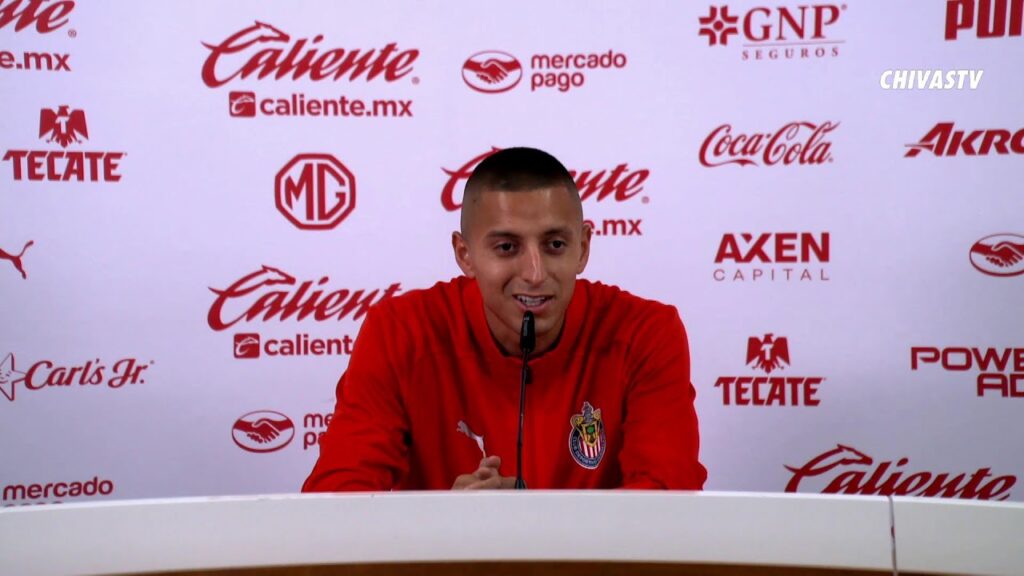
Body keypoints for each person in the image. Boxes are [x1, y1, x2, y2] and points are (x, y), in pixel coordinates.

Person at [302, 147, 706, 491]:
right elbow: (336, 502)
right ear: (465, 255)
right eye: (507, 247)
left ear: (583, 248)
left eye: (555, 245)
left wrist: (527, 526)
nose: (534, 272)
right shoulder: (399, 330)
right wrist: (445, 525)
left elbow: (670, 504)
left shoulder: (646, 332)